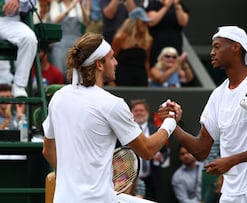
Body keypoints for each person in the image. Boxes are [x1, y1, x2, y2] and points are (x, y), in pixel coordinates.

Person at [41, 33, 179, 203]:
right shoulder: (112, 104)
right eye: (112, 58)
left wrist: (73, 179)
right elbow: (148, 150)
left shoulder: (58, 97)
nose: (116, 62)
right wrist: (170, 121)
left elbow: (47, 150)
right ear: (99, 64)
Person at [159, 26, 247, 203]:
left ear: (236, 47)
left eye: (217, 46)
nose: (212, 52)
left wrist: (233, 160)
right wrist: (172, 124)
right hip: (232, 192)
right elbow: (200, 150)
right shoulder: (217, 95)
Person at [130, 99, 169, 201]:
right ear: (131, 113)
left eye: (141, 110)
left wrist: (161, 157)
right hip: (130, 180)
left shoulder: (157, 130)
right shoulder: (126, 130)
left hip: (152, 180)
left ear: (147, 113)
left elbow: (165, 151)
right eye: (136, 110)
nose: (138, 113)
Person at [0, 0, 38, 97]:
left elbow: (32, 2)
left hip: (8, 20)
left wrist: (18, 2)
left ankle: (19, 85)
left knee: (29, 39)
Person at [111, 7, 153, 87]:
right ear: (134, 22)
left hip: (141, 79)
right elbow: (111, 58)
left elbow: (146, 62)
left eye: (146, 22)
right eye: (142, 21)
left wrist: (148, 79)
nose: (145, 24)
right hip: (122, 78)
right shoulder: (120, 38)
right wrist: (111, 81)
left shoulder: (148, 40)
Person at [48, 0, 89, 75]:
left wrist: (81, 6)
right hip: (60, 44)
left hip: (76, 44)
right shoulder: (56, 4)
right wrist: (70, 7)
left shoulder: (77, 5)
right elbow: (55, 20)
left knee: (77, 72)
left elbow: (86, 23)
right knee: (60, 71)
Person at [146, 0, 189, 67]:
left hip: (175, 44)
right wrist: (166, 7)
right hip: (157, 44)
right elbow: (151, 22)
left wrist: (177, 6)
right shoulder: (154, 4)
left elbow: (183, 23)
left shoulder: (180, 5)